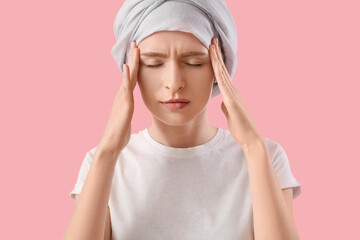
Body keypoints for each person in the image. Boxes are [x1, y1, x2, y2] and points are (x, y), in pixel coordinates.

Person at [63, 1, 301, 240]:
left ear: (220, 69)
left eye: (194, 62)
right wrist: (108, 152)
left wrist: (253, 146)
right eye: (153, 63)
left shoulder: (266, 157)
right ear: (132, 71)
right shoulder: (102, 162)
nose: (174, 82)